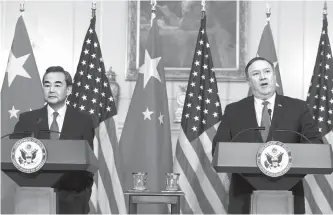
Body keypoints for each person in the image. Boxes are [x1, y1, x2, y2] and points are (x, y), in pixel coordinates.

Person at [212, 57, 323, 214]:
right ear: (249, 81)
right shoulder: (234, 110)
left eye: (267, 72)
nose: (263, 77)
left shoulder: (298, 107)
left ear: (274, 76)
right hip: (244, 197)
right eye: (256, 74)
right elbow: (218, 148)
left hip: (289, 194)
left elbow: (315, 143)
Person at [11, 66, 95, 214]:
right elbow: (12, 154)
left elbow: (88, 164)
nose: (51, 90)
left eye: (57, 85)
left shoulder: (84, 121)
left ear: (68, 90)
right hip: (34, 199)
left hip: (72, 200)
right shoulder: (28, 120)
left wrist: (82, 196)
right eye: (47, 84)